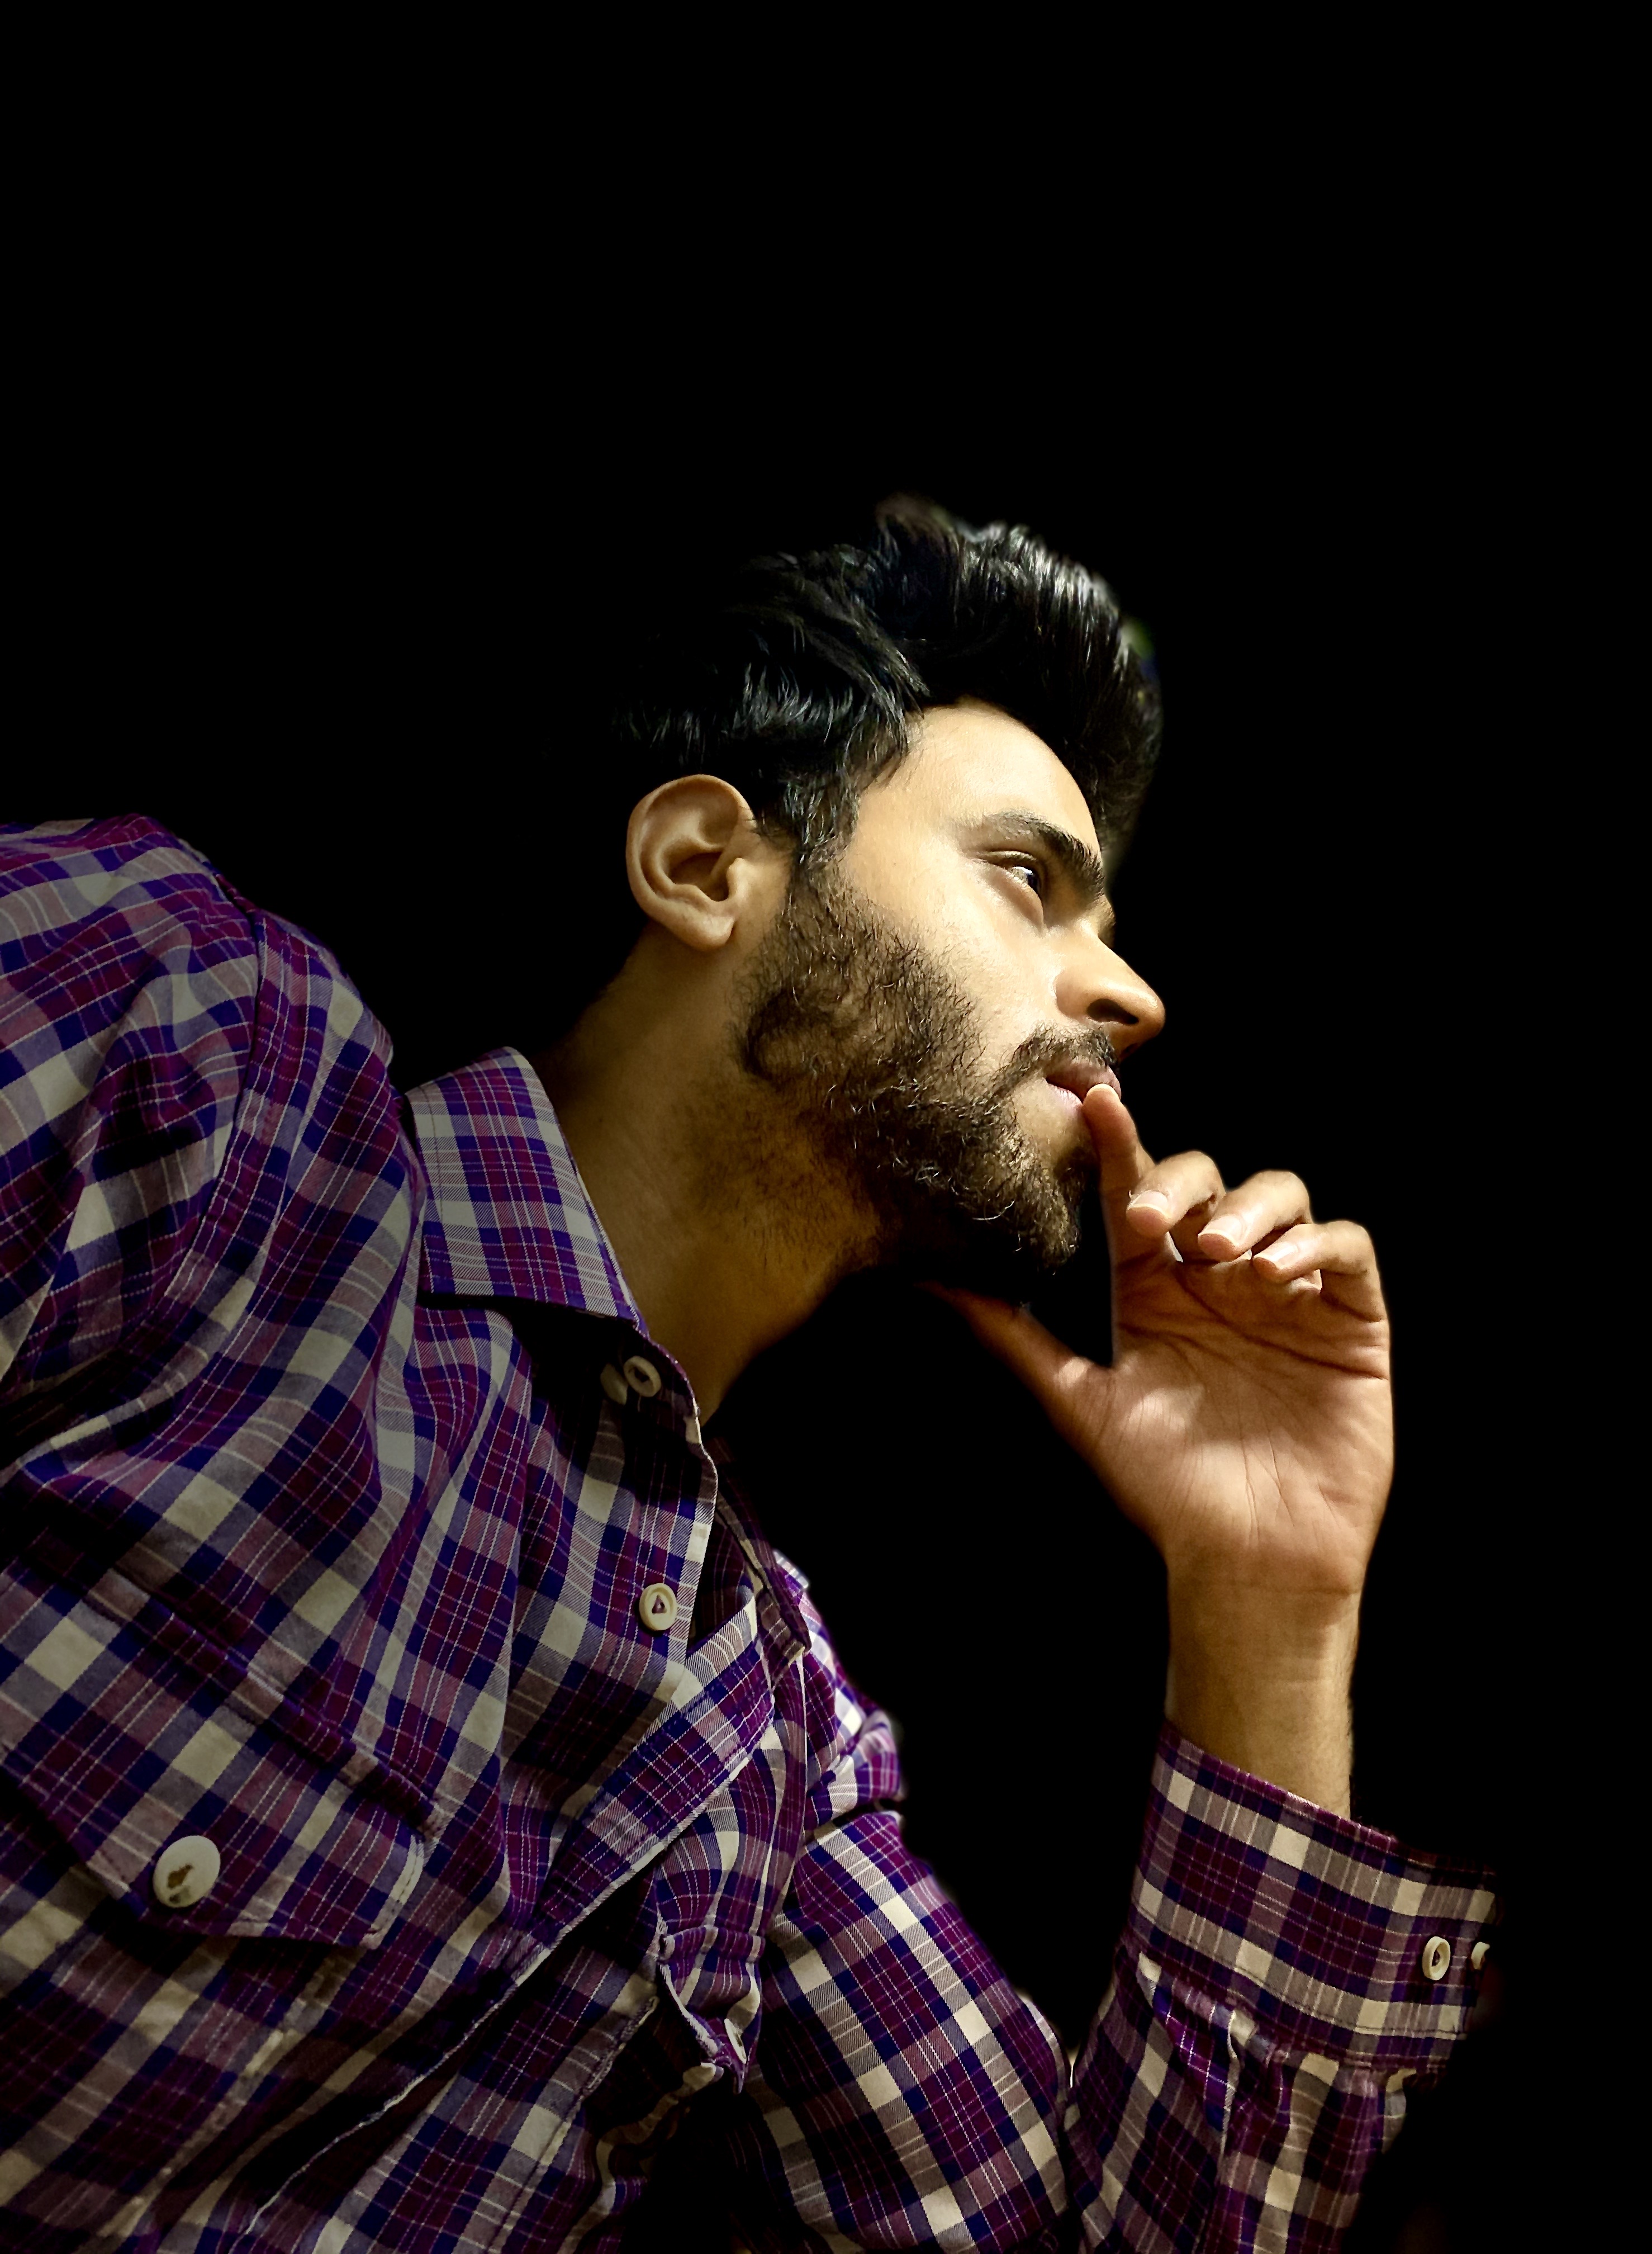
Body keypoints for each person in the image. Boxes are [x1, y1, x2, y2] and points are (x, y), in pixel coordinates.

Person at [0, 501, 1494, 2251]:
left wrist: (1267, 1600)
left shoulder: (768, 1756)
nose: (1132, 994)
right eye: (1032, 880)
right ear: (708, 863)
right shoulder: (197, 1066)